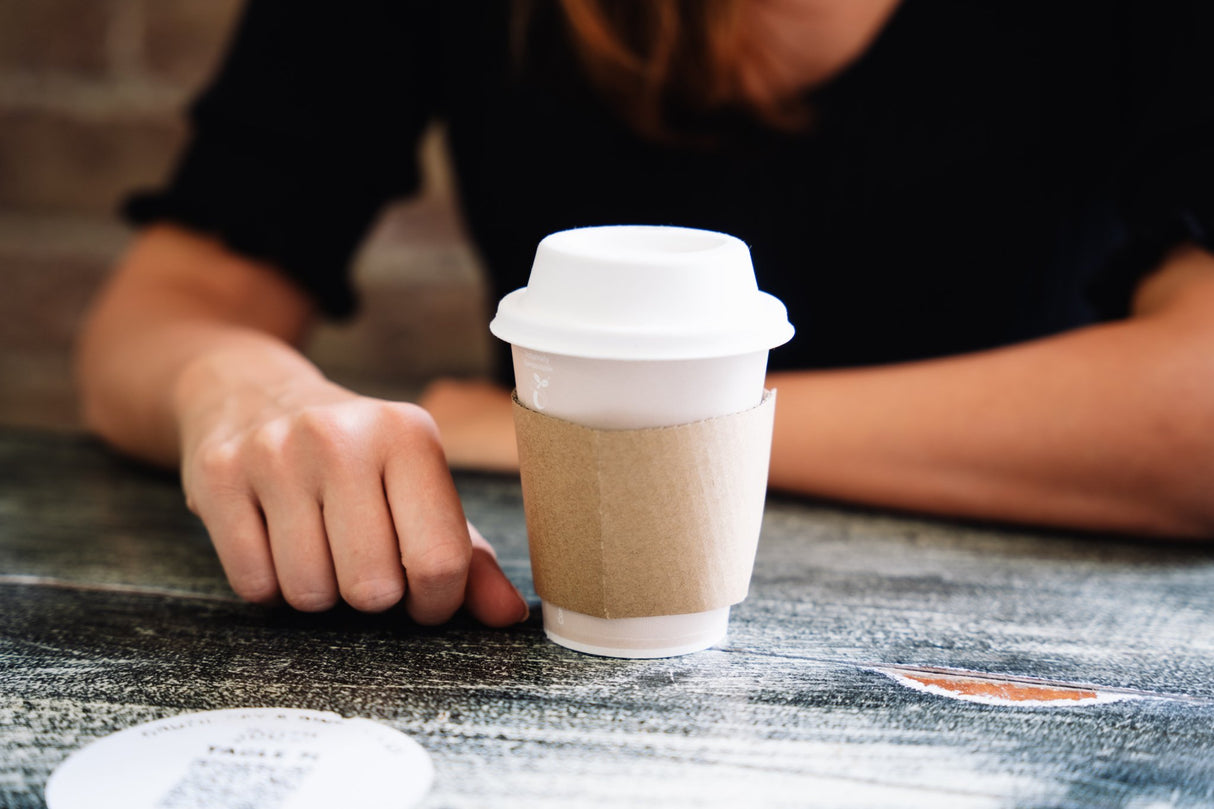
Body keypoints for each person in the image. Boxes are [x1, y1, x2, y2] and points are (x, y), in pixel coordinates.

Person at [74, 0, 1214, 624]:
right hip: (555, 637)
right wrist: (245, 391)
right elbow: (164, 310)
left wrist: (549, 430)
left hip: (1032, 643)